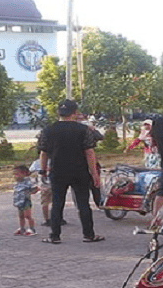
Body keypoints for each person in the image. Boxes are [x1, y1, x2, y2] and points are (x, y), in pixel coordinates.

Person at [38, 99, 104, 244]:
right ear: (75, 113)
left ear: (58, 113)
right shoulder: (83, 130)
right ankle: (89, 235)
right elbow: (89, 153)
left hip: (57, 171)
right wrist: (94, 174)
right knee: (83, 204)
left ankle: (54, 236)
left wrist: (42, 171)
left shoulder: (48, 130)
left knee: (57, 203)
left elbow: (43, 153)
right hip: (79, 172)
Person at [12, 164, 38, 236]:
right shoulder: (17, 182)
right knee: (21, 216)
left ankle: (32, 229)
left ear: (24, 174)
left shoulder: (28, 181)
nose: (15, 176)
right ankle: (22, 228)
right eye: (14, 174)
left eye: (17, 174)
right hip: (19, 201)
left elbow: (35, 188)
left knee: (28, 215)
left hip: (26, 200)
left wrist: (30, 192)